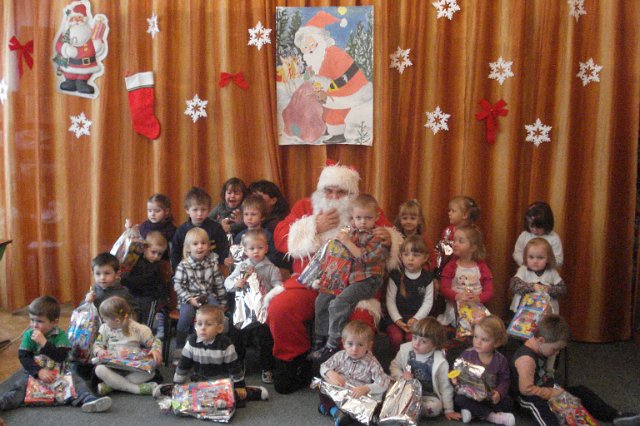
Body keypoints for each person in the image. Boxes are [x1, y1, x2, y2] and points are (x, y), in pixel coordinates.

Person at [269, 162, 402, 394]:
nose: (333, 196)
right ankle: (294, 365)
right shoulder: (305, 206)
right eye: (328, 190)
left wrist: (389, 239)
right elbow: (280, 238)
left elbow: (393, 241)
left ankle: (346, 376)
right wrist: (312, 226)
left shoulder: (364, 210)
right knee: (281, 307)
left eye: (340, 192)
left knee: (359, 318)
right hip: (310, 279)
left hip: (354, 282)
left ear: (351, 194)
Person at [510, 314, 639, 425]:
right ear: (541, 340)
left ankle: (615, 416)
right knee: (542, 409)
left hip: (544, 387)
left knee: (581, 391)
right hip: (525, 398)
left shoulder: (541, 346)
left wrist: (555, 391)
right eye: (555, 349)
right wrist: (551, 393)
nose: (557, 352)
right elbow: (526, 390)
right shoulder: (526, 360)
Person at [310, 194, 391, 362]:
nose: (363, 222)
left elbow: (363, 258)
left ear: (376, 217)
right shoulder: (350, 231)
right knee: (322, 298)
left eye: (368, 218)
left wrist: (347, 242)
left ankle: (332, 344)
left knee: (338, 303)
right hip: (347, 276)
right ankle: (319, 339)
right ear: (352, 217)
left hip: (368, 280)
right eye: (358, 218)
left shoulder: (377, 237)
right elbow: (337, 251)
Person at [0, 296, 112, 412]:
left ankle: (89, 400)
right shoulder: (29, 335)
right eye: (32, 320)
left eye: (39, 321)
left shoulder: (60, 335)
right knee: (20, 387)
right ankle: (3, 402)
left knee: (77, 382)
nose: (34, 325)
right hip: (36, 371)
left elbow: (61, 357)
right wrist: (39, 371)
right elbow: (24, 357)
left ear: (54, 322)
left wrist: (44, 343)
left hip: (59, 372)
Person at [293, 11, 373, 144]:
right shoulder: (315, 58)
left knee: (334, 112)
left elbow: (346, 75)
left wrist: (328, 91)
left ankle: (337, 134)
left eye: (312, 44)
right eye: (306, 47)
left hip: (351, 88)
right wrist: (311, 80)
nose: (310, 49)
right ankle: (324, 128)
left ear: (320, 41)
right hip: (333, 88)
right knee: (321, 108)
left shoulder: (333, 54)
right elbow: (312, 77)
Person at [171, 305, 268, 405]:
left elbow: (234, 368)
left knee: (235, 395)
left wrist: (239, 386)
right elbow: (183, 365)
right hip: (200, 382)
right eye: (199, 324)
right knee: (188, 397)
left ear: (219, 328)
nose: (202, 328)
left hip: (221, 383)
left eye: (208, 324)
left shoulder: (225, 345)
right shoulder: (191, 342)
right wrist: (177, 385)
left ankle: (254, 393)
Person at [224, 229, 284, 384]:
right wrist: (235, 284)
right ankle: (239, 361)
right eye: (251, 248)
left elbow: (279, 287)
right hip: (244, 310)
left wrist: (270, 295)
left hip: (263, 310)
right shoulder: (242, 266)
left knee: (265, 337)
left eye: (260, 248)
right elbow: (227, 282)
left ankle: (266, 367)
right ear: (245, 250)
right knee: (235, 332)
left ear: (266, 248)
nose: (256, 251)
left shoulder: (271, 268)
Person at [318, 320, 390, 425]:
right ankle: (335, 411)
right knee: (322, 385)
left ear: (369, 345)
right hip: (339, 390)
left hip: (357, 395)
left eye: (360, 345)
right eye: (350, 344)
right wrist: (330, 373)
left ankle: (331, 410)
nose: (354, 349)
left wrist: (366, 388)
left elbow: (383, 383)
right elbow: (323, 367)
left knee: (368, 415)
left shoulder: (372, 362)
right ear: (343, 343)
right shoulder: (340, 356)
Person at [389, 317, 460, 420]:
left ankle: (407, 410)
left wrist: (449, 410)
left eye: (423, 341)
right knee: (388, 388)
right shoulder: (405, 351)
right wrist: (401, 376)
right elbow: (394, 366)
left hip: (427, 397)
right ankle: (404, 408)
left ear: (434, 345)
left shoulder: (440, 362)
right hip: (406, 392)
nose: (416, 343)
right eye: (414, 337)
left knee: (436, 407)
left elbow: (445, 387)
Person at [93, 296, 162, 395]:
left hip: (134, 368)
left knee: (151, 372)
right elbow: (97, 344)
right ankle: (136, 389)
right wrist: (100, 351)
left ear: (117, 320)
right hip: (113, 368)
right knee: (99, 370)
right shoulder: (104, 328)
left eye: (105, 319)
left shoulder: (139, 329)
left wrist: (156, 349)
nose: (103, 321)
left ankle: (111, 385)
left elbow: (155, 341)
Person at [453, 316, 514, 425]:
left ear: (496, 343)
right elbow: (457, 370)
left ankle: (474, 412)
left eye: (484, 339)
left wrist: (499, 393)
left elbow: (505, 381)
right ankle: (492, 417)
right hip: (470, 394)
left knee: (508, 402)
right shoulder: (467, 354)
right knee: (458, 399)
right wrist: (455, 378)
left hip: (489, 397)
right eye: (475, 337)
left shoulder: (501, 360)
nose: (478, 342)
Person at [173, 227, 226, 352]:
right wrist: (189, 299)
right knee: (186, 317)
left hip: (207, 297)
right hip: (189, 299)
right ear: (188, 248)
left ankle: (215, 345)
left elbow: (219, 284)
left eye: (203, 243)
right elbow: (178, 286)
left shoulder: (212, 264)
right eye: (195, 244)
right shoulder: (183, 265)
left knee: (218, 316)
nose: (200, 247)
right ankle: (179, 346)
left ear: (208, 246)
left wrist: (223, 303)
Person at [384, 236, 435, 353]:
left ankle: (411, 359)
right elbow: (390, 301)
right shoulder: (396, 275)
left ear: (425, 258)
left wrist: (416, 318)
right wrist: (397, 320)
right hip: (396, 318)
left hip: (418, 318)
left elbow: (428, 302)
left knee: (412, 339)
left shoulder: (427, 278)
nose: (410, 259)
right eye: (406, 254)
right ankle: (397, 358)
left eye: (415, 255)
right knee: (396, 338)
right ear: (401, 256)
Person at [439, 225, 494, 327]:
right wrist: (457, 296)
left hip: (476, 307)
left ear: (473, 247)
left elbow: (489, 291)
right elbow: (444, 288)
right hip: (455, 307)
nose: (455, 244)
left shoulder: (481, 267)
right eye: (454, 240)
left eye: (460, 241)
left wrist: (478, 298)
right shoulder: (451, 266)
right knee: (464, 323)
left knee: (485, 325)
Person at [53, 3, 107, 95]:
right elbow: (58, 45)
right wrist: (65, 49)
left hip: (86, 65)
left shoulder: (89, 33)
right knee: (69, 77)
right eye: (74, 18)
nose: (76, 20)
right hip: (69, 64)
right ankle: (69, 82)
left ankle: (82, 83)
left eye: (79, 17)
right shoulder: (66, 34)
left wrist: (97, 45)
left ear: (84, 19)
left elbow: (97, 45)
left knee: (84, 75)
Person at [171, 186, 229, 270]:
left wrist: (221, 262)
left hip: (212, 269)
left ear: (208, 210)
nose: (199, 214)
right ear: (187, 210)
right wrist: (178, 270)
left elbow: (223, 248)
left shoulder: (216, 228)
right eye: (195, 210)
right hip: (188, 270)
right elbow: (175, 253)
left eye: (203, 210)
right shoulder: (181, 231)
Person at [121, 231, 170, 328]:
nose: (156, 256)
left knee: (146, 323)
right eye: (153, 252)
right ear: (145, 248)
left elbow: (155, 282)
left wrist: (162, 297)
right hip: (133, 295)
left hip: (149, 298)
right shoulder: (136, 261)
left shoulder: (157, 266)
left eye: (159, 254)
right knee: (132, 319)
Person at [510, 238, 566, 315]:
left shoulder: (551, 272)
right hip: (523, 312)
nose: (535, 261)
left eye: (540, 258)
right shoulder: (523, 270)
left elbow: (562, 289)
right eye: (531, 257)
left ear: (548, 258)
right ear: (525, 257)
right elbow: (514, 286)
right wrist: (532, 287)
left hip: (546, 313)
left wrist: (549, 289)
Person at [228, 194, 282, 268]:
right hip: (243, 271)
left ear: (262, 216)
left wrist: (260, 263)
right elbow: (234, 255)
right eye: (246, 214)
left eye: (253, 214)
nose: (249, 218)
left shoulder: (267, 235)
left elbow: (274, 256)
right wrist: (229, 260)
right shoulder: (239, 236)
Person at [436, 196, 480, 274]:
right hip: (445, 270)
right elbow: (440, 251)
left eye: (453, 211)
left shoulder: (472, 233)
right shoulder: (448, 230)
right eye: (449, 210)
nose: (449, 213)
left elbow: (476, 255)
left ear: (465, 215)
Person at [513, 201, 563, 267]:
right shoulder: (524, 235)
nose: (535, 230)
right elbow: (517, 253)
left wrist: (543, 264)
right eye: (532, 226)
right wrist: (525, 262)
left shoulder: (554, 238)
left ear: (547, 224)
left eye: (539, 227)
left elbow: (559, 260)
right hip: (526, 270)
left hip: (547, 272)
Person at [394, 199, 437, 271]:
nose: (408, 221)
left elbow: (433, 260)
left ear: (419, 220)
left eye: (412, 218)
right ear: (400, 220)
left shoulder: (424, 240)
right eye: (405, 218)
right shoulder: (396, 238)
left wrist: (422, 270)